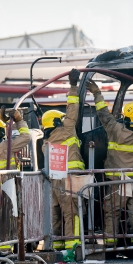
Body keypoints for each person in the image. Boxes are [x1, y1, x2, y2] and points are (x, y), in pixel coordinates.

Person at [93, 79, 133, 246]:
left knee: (112, 211)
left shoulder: (116, 130)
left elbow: (104, 114)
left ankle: (110, 242)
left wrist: (97, 93)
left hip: (117, 180)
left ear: (127, 120)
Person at [43, 68, 86, 251]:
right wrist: (73, 85)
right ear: (56, 122)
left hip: (55, 180)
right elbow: (72, 108)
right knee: (72, 211)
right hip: (70, 177)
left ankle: (57, 244)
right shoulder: (66, 129)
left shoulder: (46, 142)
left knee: (56, 211)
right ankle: (73, 244)